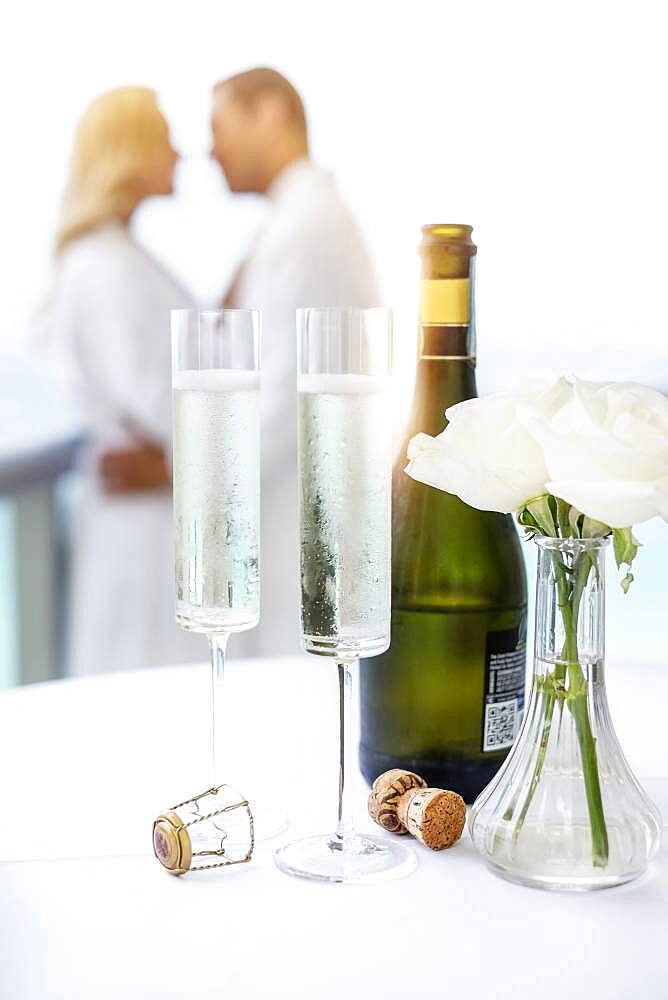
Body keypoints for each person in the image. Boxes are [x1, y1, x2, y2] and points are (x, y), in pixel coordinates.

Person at [211, 67, 380, 656]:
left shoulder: (304, 230)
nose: (212, 149)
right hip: (294, 518)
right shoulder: (300, 221)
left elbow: (280, 402)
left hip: (294, 527)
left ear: (272, 113)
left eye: (220, 126)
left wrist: (186, 471)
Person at [44, 87, 201, 675]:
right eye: (164, 137)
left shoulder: (116, 257)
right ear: (129, 148)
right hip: (141, 530)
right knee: (145, 682)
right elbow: (166, 401)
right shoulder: (106, 266)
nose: (179, 154)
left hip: (146, 518)